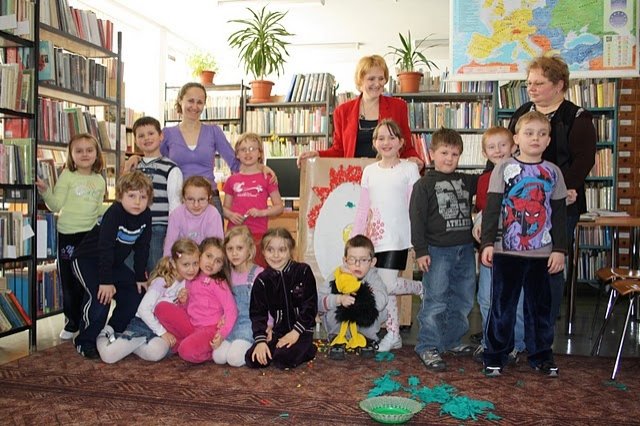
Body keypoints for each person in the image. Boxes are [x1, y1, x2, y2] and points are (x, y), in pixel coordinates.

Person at [507, 55, 596, 323]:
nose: (531, 89)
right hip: (522, 203)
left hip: (560, 205)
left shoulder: (577, 117)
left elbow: (583, 161)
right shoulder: (522, 113)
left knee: (550, 265)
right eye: (529, 83)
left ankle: (543, 322)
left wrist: (555, 192)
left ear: (559, 85)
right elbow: (510, 154)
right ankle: (517, 323)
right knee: (518, 262)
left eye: (538, 83)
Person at [480, 111, 568, 377]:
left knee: (539, 310)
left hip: (542, 254)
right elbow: (492, 209)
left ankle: (541, 355)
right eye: (529, 133)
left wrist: (559, 250)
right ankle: (495, 355)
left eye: (542, 134)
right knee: (502, 307)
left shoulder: (553, 172)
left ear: (549, 140)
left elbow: (560, 215)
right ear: (517, 138)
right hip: (507, 251)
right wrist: (487, 244)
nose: (535, 138)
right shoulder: (503, 169)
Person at [350, 119, 423, 352]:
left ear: (401, 142)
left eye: (392, 137)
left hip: (398, 236)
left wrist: (419, 240)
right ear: (374, 143)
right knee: (383, 286)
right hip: (374, 238)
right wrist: (355, 239)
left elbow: (415, 205)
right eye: (381, 138)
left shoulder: (409, 169)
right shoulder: (369, 171)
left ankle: (421, 289)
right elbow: (363, 208)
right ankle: (393, 334)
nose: (386, 142)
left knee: (389, 284)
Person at [409, 128, 478, 372]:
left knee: (463, 298)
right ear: (432, 153)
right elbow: (416, 220)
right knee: (435, 299)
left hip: (466, 250)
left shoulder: (467, 180)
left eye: (455, 154)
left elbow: (493, 180)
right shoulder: (423, 185)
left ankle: (450, 341)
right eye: (444, 153)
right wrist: (421, 250)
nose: (449, 158)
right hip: (437, 252)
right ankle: (428, 345)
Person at [71, 171, 153, 359]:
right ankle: (85, 341)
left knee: (136, 294)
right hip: (87, 260)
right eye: (131, 196)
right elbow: (105, 248)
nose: (137, 202)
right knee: (101, 297)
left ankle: (110, 330)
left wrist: (140, 276)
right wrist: (106, 281)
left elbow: (143, 247)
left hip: (112, 263)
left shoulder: (145, 215)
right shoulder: (115, 213)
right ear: (120, 196)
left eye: (142, 197)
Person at [36, 133, 108, 341]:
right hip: (68, 235)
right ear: (71, 155)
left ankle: (88, 321)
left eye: (89, 150)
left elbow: (96, 209)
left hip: (90, 236)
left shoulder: (99, 180)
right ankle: (71, 321)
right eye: (79, 151)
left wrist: (115, 208)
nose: (84, 154)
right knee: (69, 281)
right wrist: (45, 191)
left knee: (88, 280)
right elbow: (56, 205)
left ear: (96, 154)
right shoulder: (67, 175)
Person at [297, 55, 423, 168]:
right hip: (354, 175)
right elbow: (339, 150)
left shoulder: (398, 106)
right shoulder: (342, 111)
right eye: (371, 79)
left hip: (388, 174)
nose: (377, 83)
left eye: (381, 78)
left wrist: (416, 160)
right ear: (360, 81)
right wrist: (317, 154)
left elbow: (405, 145)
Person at [96, 238, 200, 363]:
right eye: (186, 264)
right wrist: (162, 333)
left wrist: (184, 302)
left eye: (195, 263)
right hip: (144, 324)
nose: (192, 269)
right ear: (173, 263)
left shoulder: (188, 282)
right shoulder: (162, 282)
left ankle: (129, 343)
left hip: (163, 328)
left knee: (157, 352)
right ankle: (104, 334)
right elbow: (143, 309)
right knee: (109, 356)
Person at [470, 127, 522, 364]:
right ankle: (490, 341)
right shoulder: (483, 180)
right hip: (491, 247)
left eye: (503, 145)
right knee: (486, 298)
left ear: (513, 147)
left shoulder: (524, 174)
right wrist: (478, 224)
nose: (498, 151)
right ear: (485, 152)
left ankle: (515, 344)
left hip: (517, 248)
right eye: (492, 147)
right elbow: (482, 211)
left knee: (516, 298)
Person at [155, 237, 238, 364]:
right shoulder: (192, 276)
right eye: (208, 256)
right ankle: (186, 342)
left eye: (218, 261)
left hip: (209, 330)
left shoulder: (219, 283)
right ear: (200, 255)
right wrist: (184, 302)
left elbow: (231, 310)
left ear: (221, 266)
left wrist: (222, 334)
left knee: (185, 351)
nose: (211, 263)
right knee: (161, 308)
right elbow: (190, 307)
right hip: (191, 325)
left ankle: (206, 352)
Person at [245, 228, 317, 369]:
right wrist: (260, 341)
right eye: (270, 250)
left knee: (282, 360)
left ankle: (309, 349)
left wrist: (295, 333)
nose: (276, 255)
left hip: (301, 332)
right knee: (252, 359)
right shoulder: (262, 280)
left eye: (282, 250)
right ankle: (280, 350)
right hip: (278, 332)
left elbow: (310, 306)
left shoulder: (303, 271)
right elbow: (257, 313)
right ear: (263, 252)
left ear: (290, 251)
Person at [125, 116, 183, 272]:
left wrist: (170, 237)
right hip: (132, 228)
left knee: (156, 273)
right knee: (129, 272)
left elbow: (175, 206)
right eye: (141, 135)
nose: (146, 138)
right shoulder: (133, 167)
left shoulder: (171, 168)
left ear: (161, 136)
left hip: (158, 228)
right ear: (135, 140)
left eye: (151, 133)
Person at [318, 235, 388, 360]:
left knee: (379, 309)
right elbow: (319, 300)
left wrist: (361, 294)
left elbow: (382, 300)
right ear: (345, 261)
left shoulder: (373, 277)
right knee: (331, 306)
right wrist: (338, 299)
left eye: (363, 260)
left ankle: (367, 338)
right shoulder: (338, 275)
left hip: (362, 323)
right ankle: (337, 337)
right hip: (340, 324)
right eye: (352, 259)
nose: (357, 265)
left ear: (372, 262)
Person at [223, 133, 284, 267]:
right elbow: (224, 208)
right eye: (243, 149)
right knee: (235, 272)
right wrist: (231, 215)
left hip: (258, 234)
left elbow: (279, 206)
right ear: (237, 154)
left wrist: (262, 212)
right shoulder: (232, 180)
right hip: (235, 235)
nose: (247, 153)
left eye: (252, 149)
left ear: (260, 153)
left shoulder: (267, 178)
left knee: (258, 271)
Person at [213, 226, 265, 367]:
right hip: (231, 324)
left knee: (234, 359)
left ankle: (253, 345)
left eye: (239, 248)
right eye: (230, 249)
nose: (234, 253)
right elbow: (223, 303)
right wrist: (222, 317)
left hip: (250, 325)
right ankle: (239, 345)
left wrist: (269, 325)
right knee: (218, 357)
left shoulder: (258, 273)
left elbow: (267, 304)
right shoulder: (227, 274)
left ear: (249, 249)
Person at [163, 176, 224, 256]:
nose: (196, 205)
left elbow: (216, 248)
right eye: (191, 199)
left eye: (201, 199)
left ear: (209, 198)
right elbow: (169, 246)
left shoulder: (213, 214)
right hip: (182, 260)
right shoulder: (176, 215)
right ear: (183, 199)